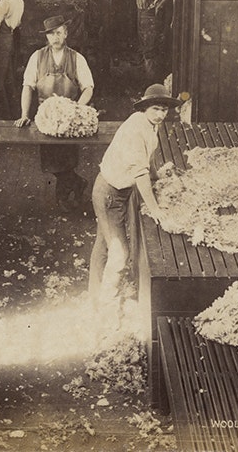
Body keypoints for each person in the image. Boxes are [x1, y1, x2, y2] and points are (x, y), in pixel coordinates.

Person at [88, 83, 182, 313]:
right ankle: (107, 305)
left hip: (116, 191)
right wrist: (156, 210)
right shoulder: (135, 130)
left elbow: (147, 160)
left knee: (105, 243)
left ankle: (96, 294)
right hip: (109, 194)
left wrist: (156, 175)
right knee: (119, 253)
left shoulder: (149, 124)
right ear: (145, 107)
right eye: (156, 109)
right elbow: (140, 175)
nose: (160, 115)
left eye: (164, 110)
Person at [15, 15, 94, 212]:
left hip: (69, 119)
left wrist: (76, 109)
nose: (55, 37)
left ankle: (63, 198)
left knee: (66, 158)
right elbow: (27, 86)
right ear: (46, 36)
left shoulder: (77, 58)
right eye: (51, 34)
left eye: (59, 33)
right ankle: (77, 184)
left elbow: (88, 87)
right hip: (46, 119)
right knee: (51, 161)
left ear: (66, 33)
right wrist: (24, 114)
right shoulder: (37, 57)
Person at [120, 0, 173, 80]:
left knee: (150, 51)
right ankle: (147, 79)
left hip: (151, 20)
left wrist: (159, 6)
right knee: (144, 49)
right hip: (141, 18)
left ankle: (152, 81)